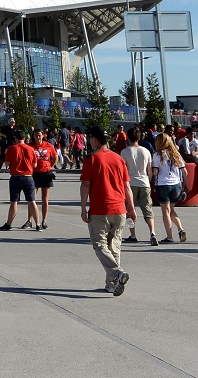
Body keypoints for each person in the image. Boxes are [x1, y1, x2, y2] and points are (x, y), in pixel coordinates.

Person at [79, 126, 136, 296]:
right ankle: (112, 284)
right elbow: (127, 186)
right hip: (119, 209)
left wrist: (83, 207)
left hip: (100, 209)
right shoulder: (119, 159)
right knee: (114, 246)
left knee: (99, 245)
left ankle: (117, 273)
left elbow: (86, 184)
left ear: (95, 139)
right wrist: (131, 208)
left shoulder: (92, 159)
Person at [0, 129, 41, 231]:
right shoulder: (31, 149)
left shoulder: (12, 148)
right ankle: (38, 224)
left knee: (14, 202)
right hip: (28, 177)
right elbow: (35, 164)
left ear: (15, 138)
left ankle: (8, 224)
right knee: (32, 201)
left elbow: (7, 164)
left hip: (16, 177)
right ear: (24, 138)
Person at [120, 128, 157, 245]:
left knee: (130, 210)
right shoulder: (146, 151)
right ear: (140, 137)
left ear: (128, 138)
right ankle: (152, 233)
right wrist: (149, 181)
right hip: (144, 182)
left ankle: (133, 234)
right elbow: (149, 170)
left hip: (130, 183)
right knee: (147, 210)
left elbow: (123, 170)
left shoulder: (125, 152)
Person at [152, 134, 188, 244]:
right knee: (171, 209)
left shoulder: (157, 155)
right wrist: (186, 185)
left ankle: (169, 236)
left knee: (166, 212)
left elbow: (155, 172)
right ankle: (180, 229)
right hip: (176, 185)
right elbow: (185, 172)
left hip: (163, 184)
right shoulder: (176, 154)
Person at [31, 129, 57, 230]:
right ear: (33, 136)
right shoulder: (30, 146)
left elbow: (55, 157)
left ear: (43, 135)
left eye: (39, 135)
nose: (38, 137)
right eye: (36, 135)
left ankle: (44, 220)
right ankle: (30, 220)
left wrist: (51, 166)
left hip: (46, 173)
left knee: (45, 198)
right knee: (32, 198)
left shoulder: (48, 145)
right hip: (34, 173)